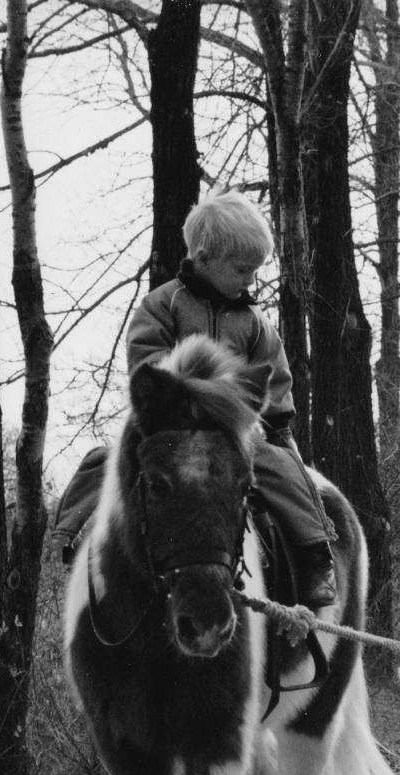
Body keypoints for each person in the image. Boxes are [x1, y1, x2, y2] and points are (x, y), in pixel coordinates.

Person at [126, 190, 337, 608]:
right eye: (242, 269)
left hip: (237, 434)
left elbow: (274, 375)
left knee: (285, 469)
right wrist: (185, 394)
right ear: (204, 259)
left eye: (255, 271)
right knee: (105, 463)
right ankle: (81, 538)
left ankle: (316, 555)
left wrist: (273, 416)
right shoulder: (162, 305)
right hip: (172, 427)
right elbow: (147, 365)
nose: (250, 280)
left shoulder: (255, 323)